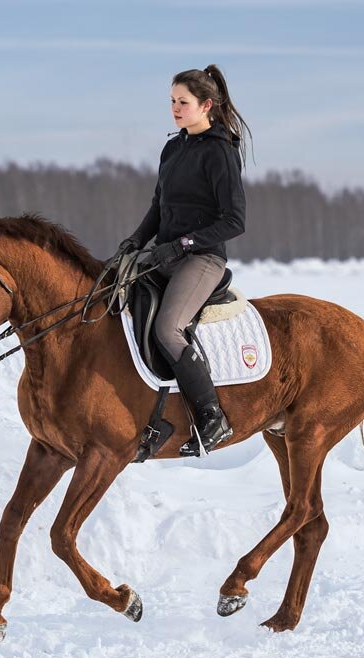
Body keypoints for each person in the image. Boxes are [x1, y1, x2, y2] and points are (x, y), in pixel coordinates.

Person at [114, 64, 250, 455]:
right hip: (162, 255)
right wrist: (134, 241)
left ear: (206, 105)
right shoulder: (173, 148)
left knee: (168, 329)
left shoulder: (220, 152)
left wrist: (184, 244)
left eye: (183, 102)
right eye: (172, 101)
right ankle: (146, 414)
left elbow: (234, 221)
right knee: (118, 311)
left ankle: (211, 418)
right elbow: (159, 206)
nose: (175, 108)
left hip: (202, 259)